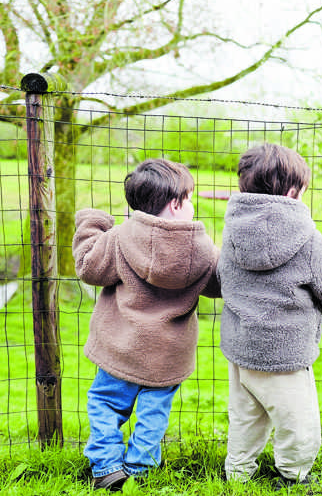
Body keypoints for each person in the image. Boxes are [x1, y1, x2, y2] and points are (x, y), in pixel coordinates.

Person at [73, 158, 220, 491]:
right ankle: (139, 466)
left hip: (119, 348)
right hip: (168, 357)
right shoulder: (204, 251)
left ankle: (107, 464)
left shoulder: (120, 237)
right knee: (154, 412)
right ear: (177, 204)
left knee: (105, 404)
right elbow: (220, 285)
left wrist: (91, 222)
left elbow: (88, 267)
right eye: (191, 198)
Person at [218, 143, 322, 488]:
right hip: (286, 353)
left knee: (245, 416)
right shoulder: (308, 239)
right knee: (298, 421)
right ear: (294, 191)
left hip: (241, 349)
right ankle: (294, 473)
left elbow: (223, 278)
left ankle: (238, 473)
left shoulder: (232, 232)